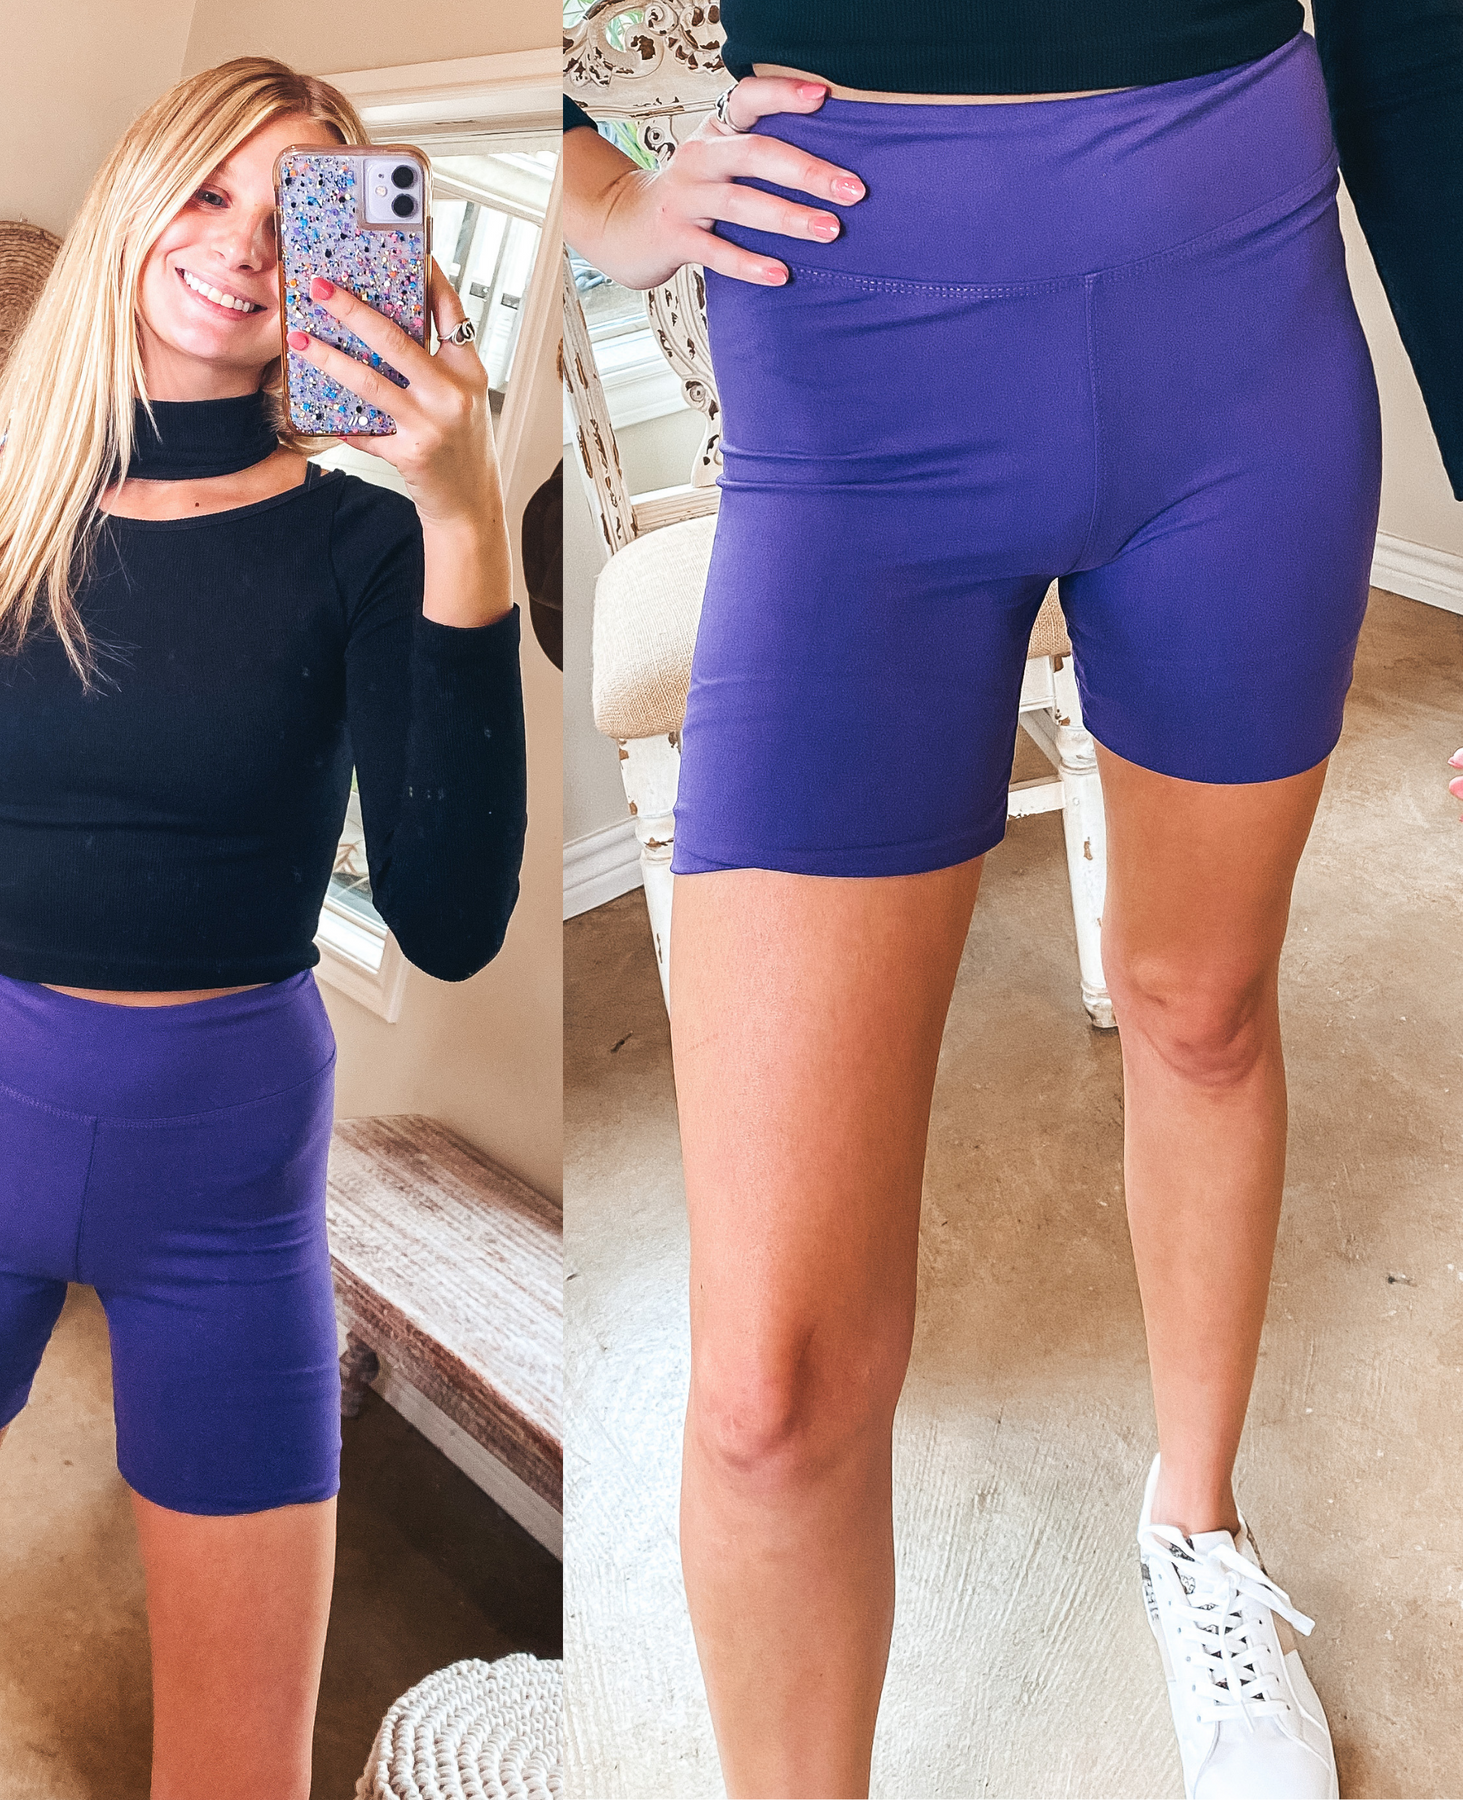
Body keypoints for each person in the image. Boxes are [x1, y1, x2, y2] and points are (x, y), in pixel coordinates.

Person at [561, 1, 1460, 1794]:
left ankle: (1194, 1525)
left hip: (1241, 356)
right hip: (855, 390)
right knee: (765, 1393)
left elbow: (1415, 47)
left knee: (1202, 1010)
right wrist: (601, 193)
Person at [0, 55, 525, 1800]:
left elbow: (447, 922)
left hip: (231, 1170)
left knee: (238, 1759)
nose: (241, 246)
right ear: (135, 201)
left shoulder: (370, 546)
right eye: (208, 190)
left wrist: (464, 511)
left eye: (296, 216)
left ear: (349, 263)